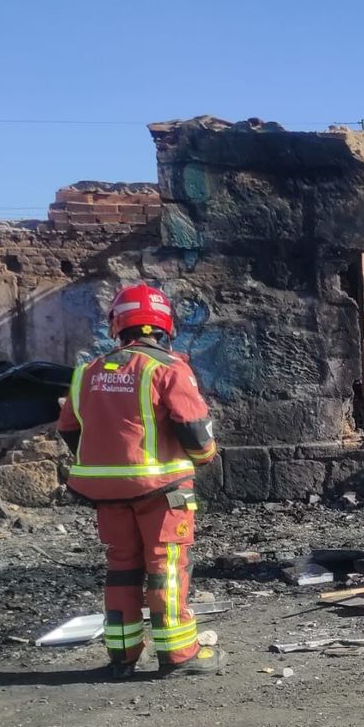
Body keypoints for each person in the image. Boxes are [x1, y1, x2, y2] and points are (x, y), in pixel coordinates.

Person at [56, 284, 224, 680]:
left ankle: (123, 653)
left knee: (121, 567)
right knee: (166, 566)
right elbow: (195, 433)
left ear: (117, 325)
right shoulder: (167, 369)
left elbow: (69, 430)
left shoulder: (87, 373)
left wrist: (105, 462)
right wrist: (202, 459)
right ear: (163, 324)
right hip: (161, 491)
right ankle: (179, 652)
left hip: (104, 494)